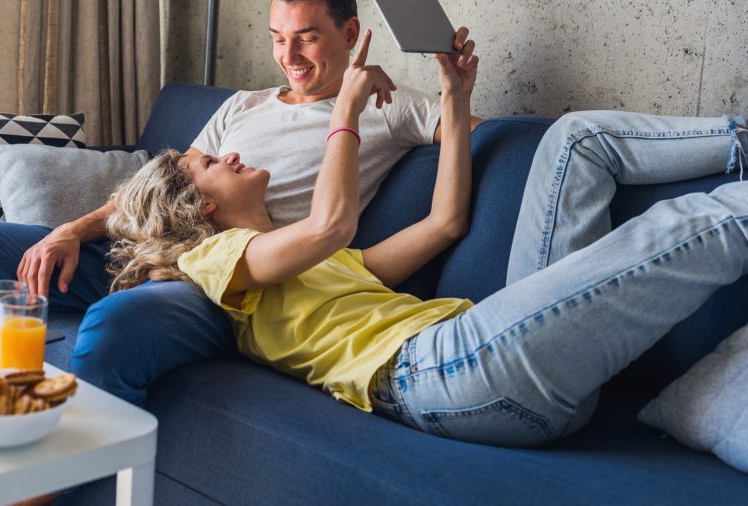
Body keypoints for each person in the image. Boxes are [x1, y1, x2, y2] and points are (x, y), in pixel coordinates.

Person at [0, 0, 478, 405]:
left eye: (307, 37)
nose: (288, 55)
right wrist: (71, 230)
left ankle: (65, 467)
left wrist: (453, 83)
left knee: (118, 326)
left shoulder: (389, 106)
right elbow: (165, 188)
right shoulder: (243, 105)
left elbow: (482, 135)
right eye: (277, 38)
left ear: (350, 33)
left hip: (228, 284)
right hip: (147, 248)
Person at [103, 36, 748, 447]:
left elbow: (445, 224)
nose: (232, 153)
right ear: (204, 208)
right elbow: (332, 222)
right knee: (686, 224)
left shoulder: (317, 266)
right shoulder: (216, 261)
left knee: (576, 141)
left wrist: (453, 95)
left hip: (490, 351)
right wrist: (345, 111)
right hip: (446, 376)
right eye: (214, 163)